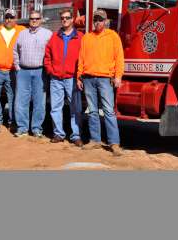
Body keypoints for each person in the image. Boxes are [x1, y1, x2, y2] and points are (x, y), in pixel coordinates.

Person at [77, 9, 124, 156]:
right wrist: (79, 76)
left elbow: (119, 58)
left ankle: (114, 143)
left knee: (109, 111)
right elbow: (81, 58)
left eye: (100, 19)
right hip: (88, 78)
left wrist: (118, 76)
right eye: (95, 19)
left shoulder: (113, 36)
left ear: (105, 21)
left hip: (105, 79)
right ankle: (95, 140)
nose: (98, 22)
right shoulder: (87, 38)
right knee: (92, 111)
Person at [44, 8, 84, 146]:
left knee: (76, 108)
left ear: (72, 19)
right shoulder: (54, 37)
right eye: (62, 18)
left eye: (67, 17)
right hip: (56, 79)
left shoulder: (80, 37)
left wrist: (79, 75)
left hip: (72, 78)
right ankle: (59, 134)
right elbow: (47, 55)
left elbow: (84, 57)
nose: (65, 20)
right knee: (55, 108)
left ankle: (76, 136)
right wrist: (50, 70)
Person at [0, 9, 25, 133]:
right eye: (7, 17)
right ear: (4, 18)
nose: (9, 20)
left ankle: (13, 123)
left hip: (13, 70)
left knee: (13, 97)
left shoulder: (22, 30)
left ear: (15, 19)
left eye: (11, 17)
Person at [13, 10, 52, 138]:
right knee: (21, 101)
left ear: (40, 20)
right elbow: (15, 51)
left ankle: (36, 129)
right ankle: (22, 128)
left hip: (40, 71)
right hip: (23, 71)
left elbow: (51, 53)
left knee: (39, 101)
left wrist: (48, 69)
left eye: (36, 18)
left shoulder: (48, 34)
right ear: (29, 20)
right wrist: (17, 66)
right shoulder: (22, 34)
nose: (34, 20)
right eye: (31, 18)